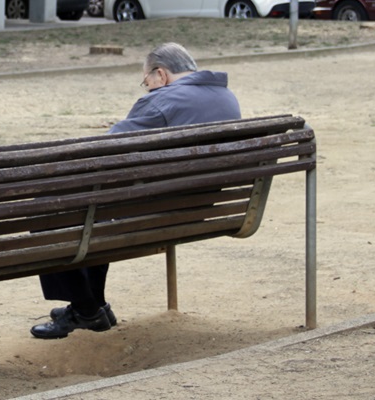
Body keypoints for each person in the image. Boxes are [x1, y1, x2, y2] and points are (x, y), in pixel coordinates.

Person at [30, 42, 242, 339]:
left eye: (147, 83)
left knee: (48, 209)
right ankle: (93, 306)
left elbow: (107, 149)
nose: (148, 89)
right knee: (95, 210)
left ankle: (86, 308)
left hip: (155, 213)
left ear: (161, 74)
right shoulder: (226, 97)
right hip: (201, 208)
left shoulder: (162, 101)